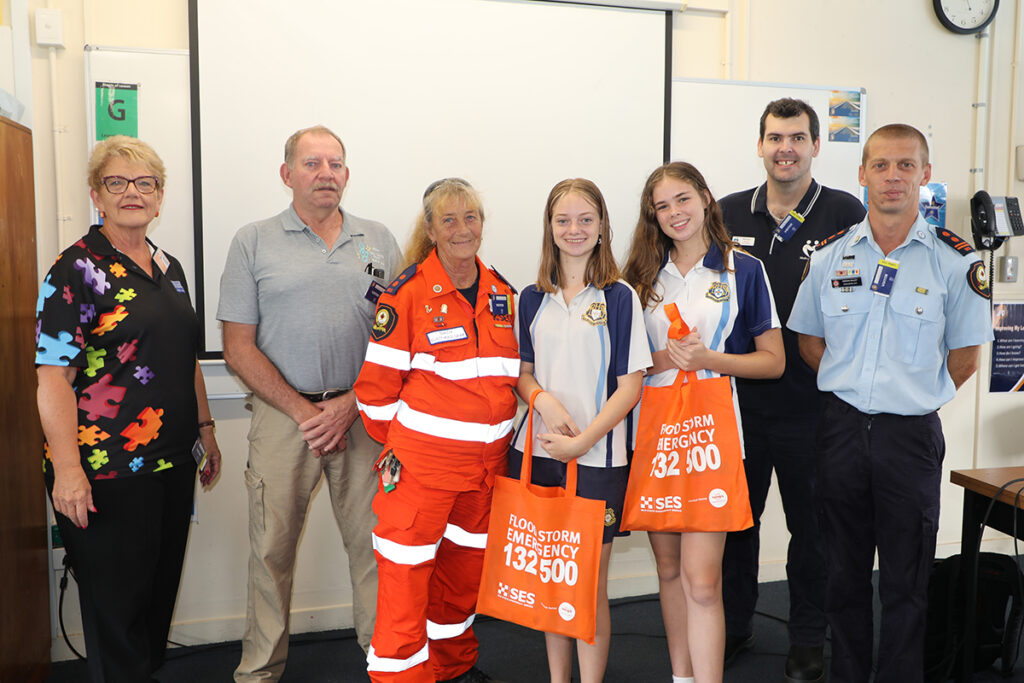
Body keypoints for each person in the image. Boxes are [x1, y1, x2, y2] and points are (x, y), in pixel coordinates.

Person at [789, 124, 992, 683]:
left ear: (925, 175)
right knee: (843, 574)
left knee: (907, 580)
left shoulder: (955, 262)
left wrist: (913, 396)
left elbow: (966, 356)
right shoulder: (830, 257)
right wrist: (854, 386)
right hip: (841, 431)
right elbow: (810, 341)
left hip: (910, 437)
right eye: (881, 165)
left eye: (906, 165)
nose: (893, 177)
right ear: (861, 174)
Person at [218, 125, 401, 681]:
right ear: (287, 174)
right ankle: (259, 673)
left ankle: (385, 662)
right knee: (270, 553)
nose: (326, 174)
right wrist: (304, 411)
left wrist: (350, 404)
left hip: (363, 419)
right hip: (282, 422)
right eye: (312, 163)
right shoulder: (253, 241)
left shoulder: (378, 240)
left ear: (347, 174)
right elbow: (236, 348)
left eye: (336, 164)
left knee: (375, 551)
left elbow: (400, 339)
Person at [35, 135, 221, 682]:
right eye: (117, 182)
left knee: (154, 604)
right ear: (98, 194)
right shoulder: (76, 268)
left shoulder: (171, 267)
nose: (132, 193)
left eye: (145, 183)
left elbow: (184, 358)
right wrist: (68, 470)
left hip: (171, 463)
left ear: (160, 198)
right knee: (117, 616)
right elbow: (52, 378)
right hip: (107, 472)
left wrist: (206, 429)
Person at [717, 98, 866, 681]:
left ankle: (809, 636)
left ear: (814, 147)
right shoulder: (725, 213)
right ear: (759, 145)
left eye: (797, 138)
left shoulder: (844, 212)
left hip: (815, 408)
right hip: (737, 405)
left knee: (812, 532)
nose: (786, 148)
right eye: (775, 137)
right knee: (736, 526)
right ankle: (731, 625)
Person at [623, 161, 785, 683]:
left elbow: (774, 361)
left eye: (683, 199)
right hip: (654, 437)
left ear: (706, 198)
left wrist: (709, 360)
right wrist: (667, 359)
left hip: (713, 440)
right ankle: (682, 677)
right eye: (662, 206)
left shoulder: (744, 270)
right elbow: (624, 366)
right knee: (668, 571)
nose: (674, 213)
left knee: (702, 582)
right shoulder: (640, 278)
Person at [354, 178, 518, 683]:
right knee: (405, 590)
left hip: (484, 476)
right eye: (448, 219)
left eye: (471, 217)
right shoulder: (405, 295)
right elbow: (374, 395)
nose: (462, 228)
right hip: (422, 477)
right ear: (430, 229)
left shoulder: (502, 294)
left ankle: (453, 669)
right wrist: (414, 449)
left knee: (461, 586)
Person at [510, 178, 650, 683]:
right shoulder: (530, 298)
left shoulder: (619, 297)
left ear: (602, 227)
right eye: (563, 220)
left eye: (585, 219)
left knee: (587, 584)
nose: (574, 229)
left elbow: (631, 386)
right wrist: (541, 400)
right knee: (551, 581)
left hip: (598, 460)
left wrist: (583, 442)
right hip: (542, 454)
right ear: (549, 227)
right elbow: (523, 376)